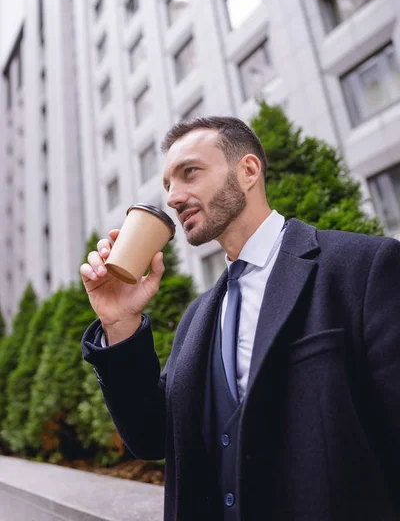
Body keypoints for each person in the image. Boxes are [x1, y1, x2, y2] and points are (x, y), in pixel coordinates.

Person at [81, 116, 400, 521]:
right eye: (168, 185)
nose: (174, 197)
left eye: (189, 173)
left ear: (248, 171)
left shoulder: (363, 267)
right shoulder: (197, 317)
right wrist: (120, 322)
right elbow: (150, 437)